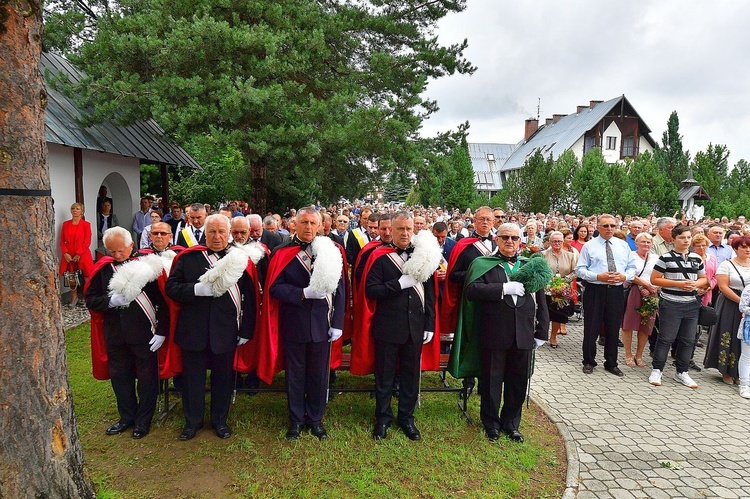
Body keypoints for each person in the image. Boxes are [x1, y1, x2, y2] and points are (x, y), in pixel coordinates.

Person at [166, 214, 258, 440]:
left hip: (226, 330)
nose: (217, 237)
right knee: (192, 380)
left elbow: (251, 297)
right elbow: (172, 288)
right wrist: (196, 290)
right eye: (212, 232)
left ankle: (220, 420)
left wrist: (246, 331)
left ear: (229, 234)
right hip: (193, 330)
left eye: (221, 232)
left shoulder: (239, 259)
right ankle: (192, 422)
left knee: (223, 379)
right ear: (204, 233)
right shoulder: (188, 258)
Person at [262, 207, 346, 440]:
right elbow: (274, 288)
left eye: (313, 223)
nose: (308, 227)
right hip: (293, 323)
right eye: (304, 223)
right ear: (294, 225)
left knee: (319, 375)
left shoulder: (333, 250)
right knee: (295, 375)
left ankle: (316, 419)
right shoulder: (281, 252)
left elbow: (341, 289)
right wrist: (302, 293)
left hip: (323, 323)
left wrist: (337, 323)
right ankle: (296, 420)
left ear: (320, 226)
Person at [461, 223, 549, 442]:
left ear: (521, 241)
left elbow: (542, 301)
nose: (510, 241)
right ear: (496, 239)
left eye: (515, 238)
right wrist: (502, 289)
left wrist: (542, 331)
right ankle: (491, 424)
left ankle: (511, 423)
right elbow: (472, 290)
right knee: (491, 380)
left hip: (524, 333)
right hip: (494, 332)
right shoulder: (484, 264)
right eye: (505, 237)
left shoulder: (529, 265)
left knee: (518, 381)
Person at [84, 227, 168, 439]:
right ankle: (126, 417)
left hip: (145, 332)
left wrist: (162, 331)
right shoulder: (103, 268)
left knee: (147, 379)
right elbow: (91, 299)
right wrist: (110, 301)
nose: (117, 255)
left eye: (120, 250)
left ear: (132, 245)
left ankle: (143, 420)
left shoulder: (147, 266)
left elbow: (164, 302)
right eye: (112, 251)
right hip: (115, 333)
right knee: (120, 378)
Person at [363, 212, 439, 441]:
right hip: (387, 326)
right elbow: (371, 290)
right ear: (391, 231)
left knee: (410, 376)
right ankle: (383, 418)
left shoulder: (424, 256)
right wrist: (397, 284)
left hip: (415, 326)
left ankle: (407, 418)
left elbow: (431, 294)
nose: (405, 233)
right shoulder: (379, 257)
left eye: (408, 229)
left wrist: (429, 323)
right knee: (384, 377)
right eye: (400, 230)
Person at [576, 214, 636, 376]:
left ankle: (611, 362)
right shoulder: (590, 246)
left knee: (613, 327)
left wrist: (625, 277)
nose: (609, 229)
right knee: (591, 327)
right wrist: (597, 276)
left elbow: (632, 267)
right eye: (605, 226)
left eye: (612, 226)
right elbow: (580, 269)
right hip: (595, 290)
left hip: (616, 291)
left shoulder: (623, 246)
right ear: (598, 227)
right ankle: (589, 361)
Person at [649, 225, 707, 388]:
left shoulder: (696, 258)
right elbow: (655, 279)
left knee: (688, 340)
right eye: (682, 237)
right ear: (673, 239)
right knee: (666, 338)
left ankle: (682, 372)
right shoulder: (665, 258)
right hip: (671, 303)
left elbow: (704, 278)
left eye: (688, 237)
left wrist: (695, 284)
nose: (686, 240)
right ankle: (657, 370)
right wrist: (677, 284)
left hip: (691, 304)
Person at [703, 236, 750, 384]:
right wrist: (741, 302)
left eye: (749, 247)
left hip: (748, 302)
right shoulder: (726, 265)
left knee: (745, 338)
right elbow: (723, 287)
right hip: (730, 303)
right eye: (743, 247)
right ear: (735, 249)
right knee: (729, 334)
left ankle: (740, 372)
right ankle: (726, 371)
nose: (747, 250)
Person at [620, 233, 658, 367]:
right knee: (628, 324)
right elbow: (629, 274)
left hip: (652, 293)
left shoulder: (656, 258)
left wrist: (654, 287)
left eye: (648, 242)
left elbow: (661, 275)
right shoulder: (630, 256)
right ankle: (628, 354)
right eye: (643, 242)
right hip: (634, 291)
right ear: (636, 243)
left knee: (646, 325)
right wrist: (645, 285)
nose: (646, 245)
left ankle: (639, 355)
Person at [542, 231, 577, 348]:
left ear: (563, 242)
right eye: (554, 241)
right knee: (544, 313)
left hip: (563, 289)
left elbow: (576, 271)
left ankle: (553, 337)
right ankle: (541, 335)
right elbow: (539, 270)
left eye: (559, 241)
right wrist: (548, 280)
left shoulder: (570, 255)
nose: (557, 243)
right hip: (546, 288)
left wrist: (565, 279)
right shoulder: (543, 255)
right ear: (550, 242)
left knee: (558, 314)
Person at [59, 202, 94, 307]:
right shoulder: (65, 224)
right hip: (69, 254)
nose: (75, 210)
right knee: (71, 276)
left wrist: (79, 253)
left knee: (87, 276)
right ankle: (73, 297)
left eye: (77, 209)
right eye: (73, 208)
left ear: (82, 211)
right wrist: (65, 253)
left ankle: (85, 297)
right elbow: (62, 241)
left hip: (83, 253)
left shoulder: (86, 225)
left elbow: (87, 241)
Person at [737, 284, 750, 398]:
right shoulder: (749, 288)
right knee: (746, 356)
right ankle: (744, 385)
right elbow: (742, 307)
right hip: (748, 326)